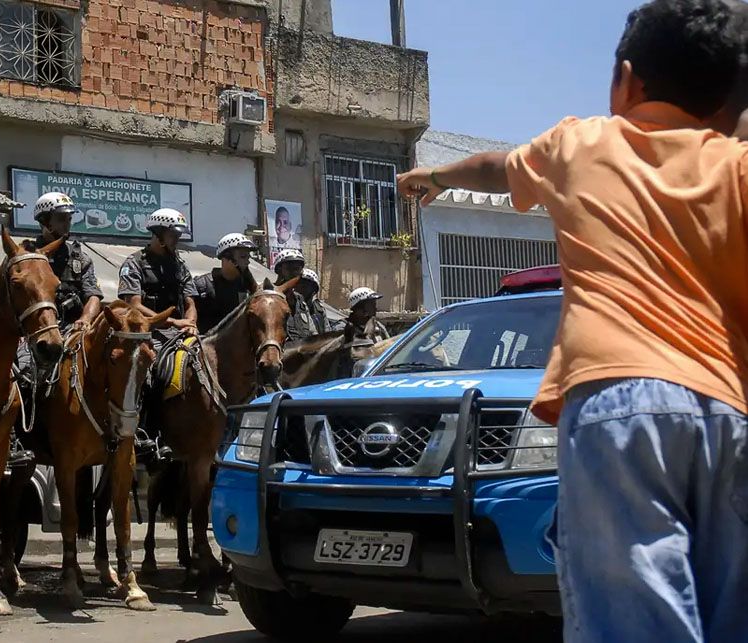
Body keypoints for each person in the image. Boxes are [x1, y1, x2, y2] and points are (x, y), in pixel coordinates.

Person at [397, 2, 748, 640]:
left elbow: (496, 168)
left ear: (626, 80)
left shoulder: (582, 143)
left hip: (618, 403)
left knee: (633, 618)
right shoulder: (737, 168)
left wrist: (435, 175)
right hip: (729, 412)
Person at [13, 192, 103, 454]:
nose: (67, 223)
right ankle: (17, 438)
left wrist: (86, 318)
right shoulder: (26, 254)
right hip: (35, 333)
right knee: (23, 373)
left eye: (68, 218)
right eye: (61, 218)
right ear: (45, 221)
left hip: (72, 330)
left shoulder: (80, 258)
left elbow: (94, 295)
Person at [118, 207, 198, 460]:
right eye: (173, 235)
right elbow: (132, 303)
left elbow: (191, 302)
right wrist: (170, 322)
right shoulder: (134, 263)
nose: (176, 240)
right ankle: (147, 432)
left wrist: (190, 322)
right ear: (158, 234)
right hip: (148, 332)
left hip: (179, 331)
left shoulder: (180, 266)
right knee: (150, 373)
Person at [194, 232, 257, 334]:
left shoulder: (246, 287)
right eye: (243, 257)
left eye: (248, 257)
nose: (248, 262)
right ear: (226, 257)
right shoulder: (202, 285)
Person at [272, 248, 316, 342]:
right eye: (289, 268)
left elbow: (313, 333)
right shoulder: (270, 296)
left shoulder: (300, 301)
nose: (294, 273)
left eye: (297, 269)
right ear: (280, 270)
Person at [298, 268, 332, 335]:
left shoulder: (319, 309)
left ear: (314, 290)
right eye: (299, 285)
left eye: (305, 286)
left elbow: (327, 333)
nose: (300, 289)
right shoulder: (291, 308)